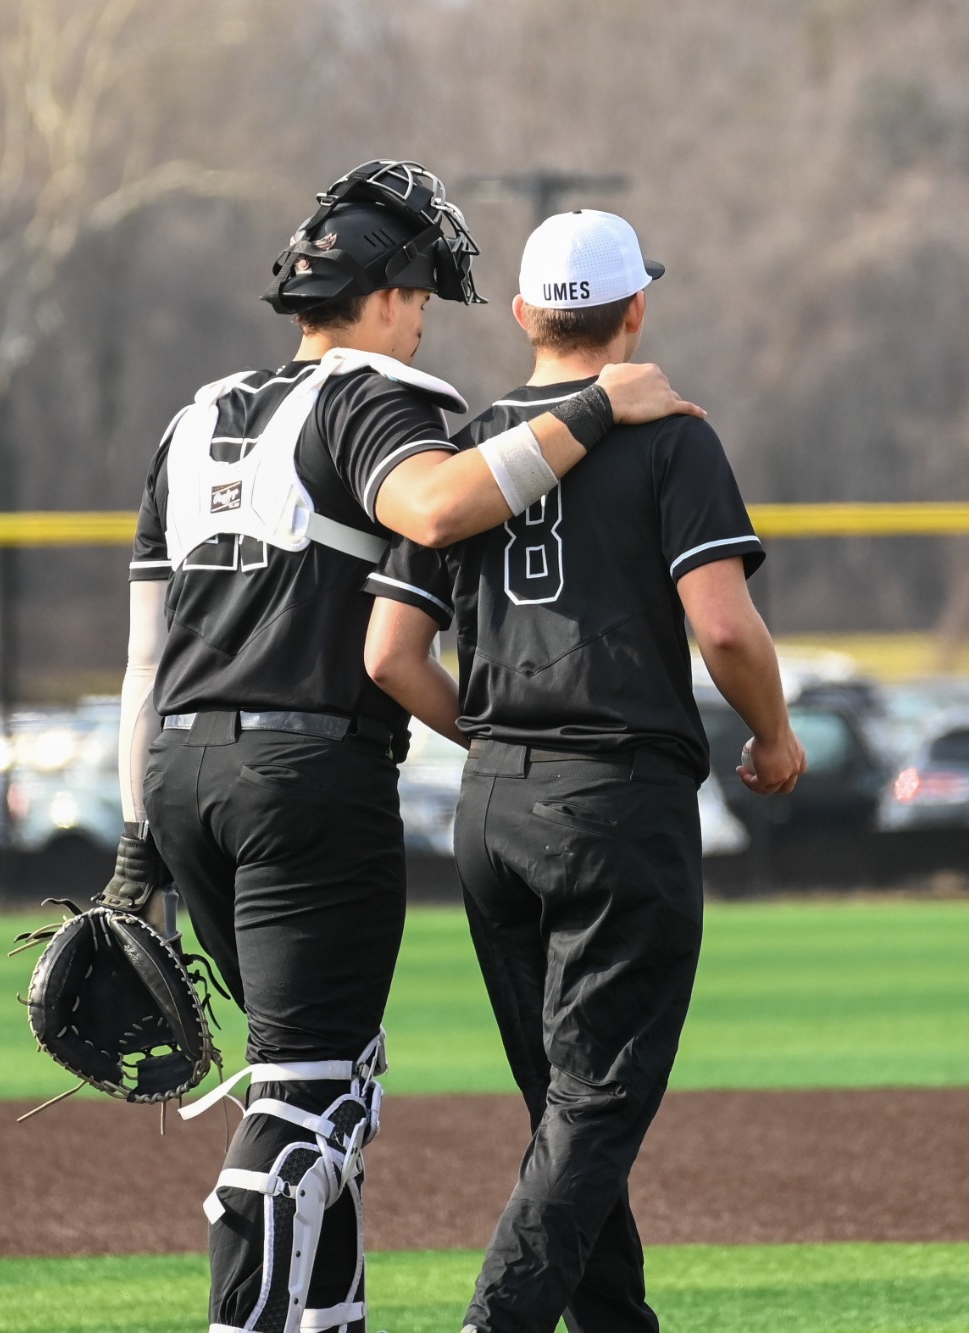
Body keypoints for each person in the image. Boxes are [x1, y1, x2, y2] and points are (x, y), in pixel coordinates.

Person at [108, 161, 701, 1333]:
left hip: (179, 772)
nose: (426, 317)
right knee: (308, 1106)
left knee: (318, 1075)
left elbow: (142, 658)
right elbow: (434, 509)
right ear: (384, 292)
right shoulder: (374, 394)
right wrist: (597, 408)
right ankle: (247, 1289)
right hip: (304, 778)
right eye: (423, 292)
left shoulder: (192, 417)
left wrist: (136, 850)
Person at [364, 208, 804, 1333]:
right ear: (636, 310)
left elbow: (391, 657)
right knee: (597, 1105)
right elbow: (726, 631)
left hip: (494, 808)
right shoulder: (669, 435)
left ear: (521, 315)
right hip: (617, 801)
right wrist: (772, 736)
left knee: (563, 1110)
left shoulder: (460, 454)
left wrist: (503, 738)